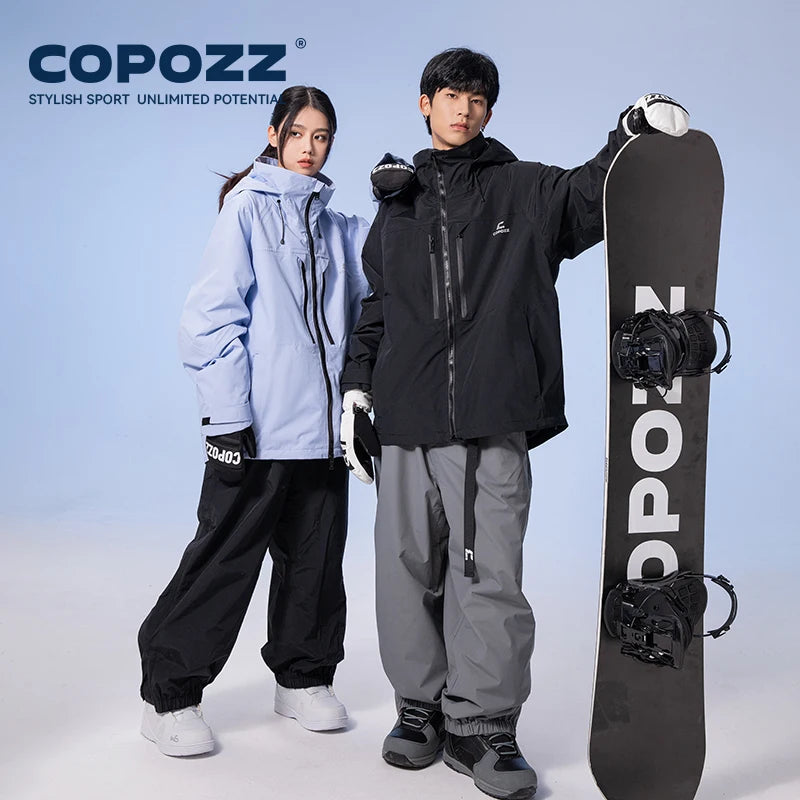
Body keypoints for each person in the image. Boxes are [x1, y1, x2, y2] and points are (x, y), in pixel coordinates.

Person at [340, 48, 688, 800]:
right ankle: (419, 707)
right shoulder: (396, 207)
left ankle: (483, 724)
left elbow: (594, 193)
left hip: (490, 416)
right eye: (450, 95)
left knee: (487, 574)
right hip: (404, 418)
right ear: (425, 103)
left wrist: (629, 133)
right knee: (404, 568)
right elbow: (377, 306)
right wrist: (356, 390)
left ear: (489, 111)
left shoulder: (524, 189)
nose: (463, 109)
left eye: (476, 99)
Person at [138, 85, 370, 757]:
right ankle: (168, 697)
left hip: (323, 434)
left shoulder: (337, 225)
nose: (309, 148)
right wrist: (225, 420)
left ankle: (303, 678)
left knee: (316, 562)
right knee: (224, 561)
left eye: (321, 137)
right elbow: (211, 319)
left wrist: (406, 201)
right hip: (260, 430)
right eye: (297, 134)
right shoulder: (246, 209)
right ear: (274, 134)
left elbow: (375, 297)